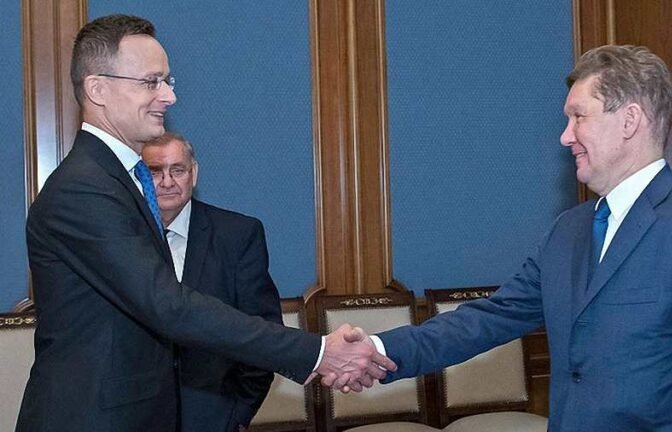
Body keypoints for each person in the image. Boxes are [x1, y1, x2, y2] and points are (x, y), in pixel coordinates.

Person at [348, 45, 672, 431]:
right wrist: (378, 349)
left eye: (578, 117)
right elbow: (490, 317)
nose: (565, 136)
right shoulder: (568, 229)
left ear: (630, 120)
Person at [18, 14, 393, 432]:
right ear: (98, 89)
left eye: (168, 81)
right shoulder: (83, 189)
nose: (168, 96)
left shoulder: (117, 179)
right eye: (151, 82)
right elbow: (167, 305)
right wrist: (317, 352)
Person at [141, 132, 281, 431]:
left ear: (194, 174)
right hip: (136, 417)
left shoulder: (238, 235)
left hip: (213, 416)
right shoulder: (120, 237)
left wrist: (237, 413)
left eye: (177, 170)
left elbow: (262, 331)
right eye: (155, 171)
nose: (167, 182)